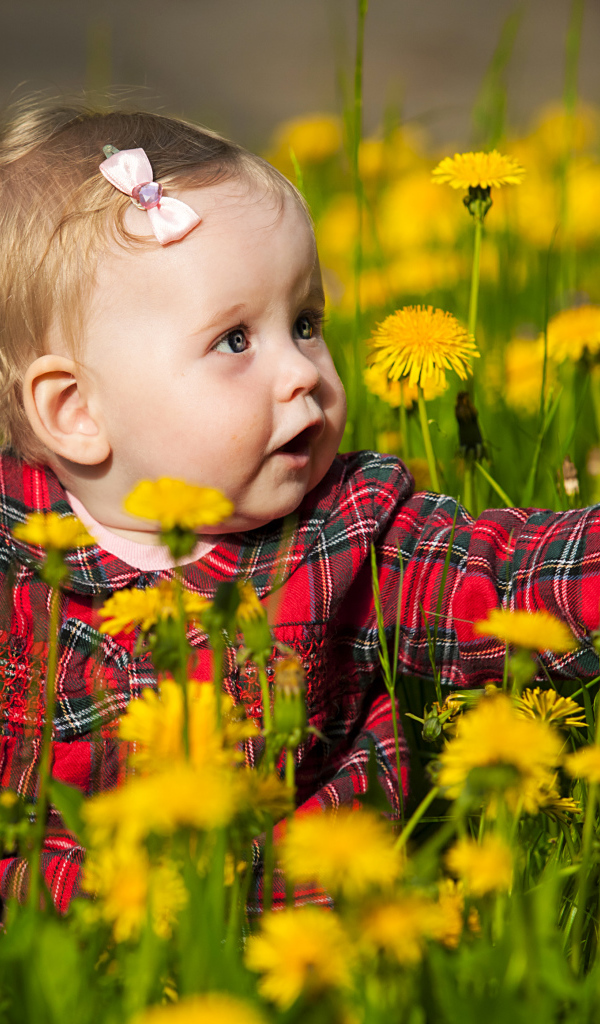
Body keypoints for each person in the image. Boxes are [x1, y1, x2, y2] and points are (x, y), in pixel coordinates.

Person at [0, 101, 598, 915]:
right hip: (69, 956)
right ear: (74, 410)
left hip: (319, 943)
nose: (303, 373)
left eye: (306, 321)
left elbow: (510, 574)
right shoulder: (15, 567)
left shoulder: (345, 532)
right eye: (235, 341)